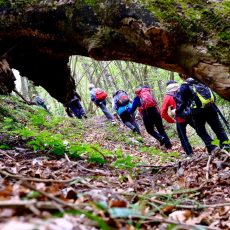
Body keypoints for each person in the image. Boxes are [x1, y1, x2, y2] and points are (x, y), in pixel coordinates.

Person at [176, 77, 229, 154]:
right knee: (219, 129)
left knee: (201, 130)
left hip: (197, 112)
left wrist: (178, 111)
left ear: (183, 76)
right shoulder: (201, 79)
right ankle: (226, 147)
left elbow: (184, 103)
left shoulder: (184, 86)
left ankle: (212, 147)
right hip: (211, 108)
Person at [161, 80, 196, 155]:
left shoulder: (167, 97)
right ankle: (211, 147)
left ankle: (190, 153)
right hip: (190, 115)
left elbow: (163, 113)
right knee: (200, 130)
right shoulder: (183, 89)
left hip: (180, 119)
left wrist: (171, 120)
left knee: (183, 137)